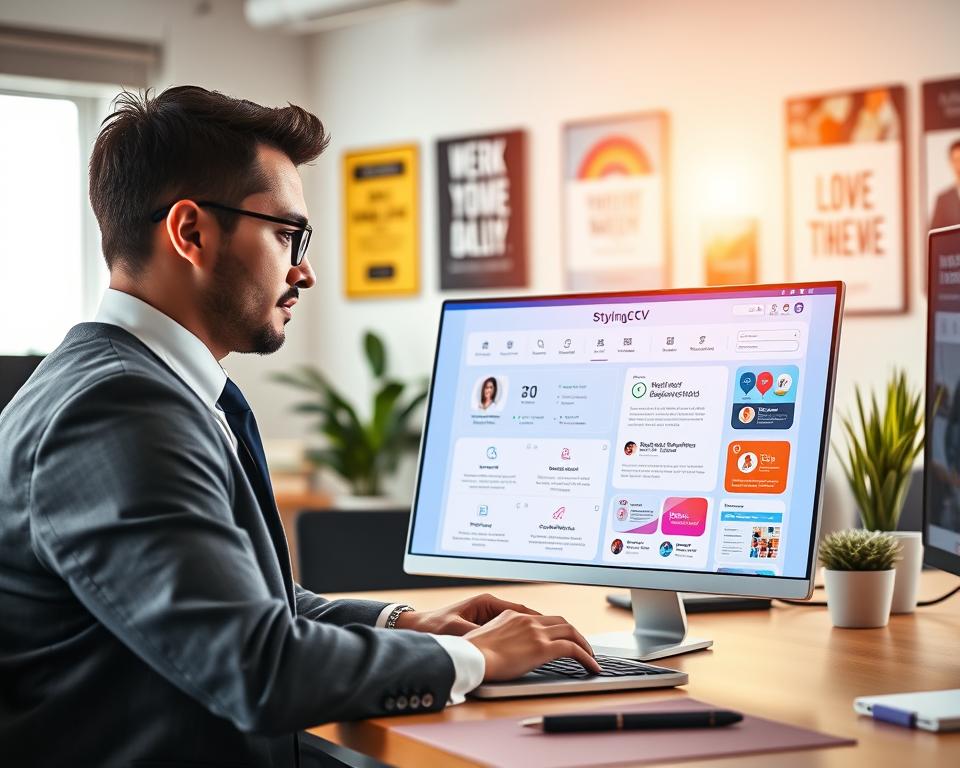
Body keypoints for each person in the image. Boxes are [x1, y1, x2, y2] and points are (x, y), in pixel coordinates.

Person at [0, 86, 599, 767]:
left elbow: (251, 605)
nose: (303, 270)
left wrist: (405, 623)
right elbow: (257, 667)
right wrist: (471, 656)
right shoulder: (118, 412)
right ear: (190, 232)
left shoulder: (145, 387)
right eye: (287, 234)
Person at [930, 139, 960, 231]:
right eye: (956, 160)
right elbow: (935, 236)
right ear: (951, 162)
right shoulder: (943, 200)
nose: (959, 164)